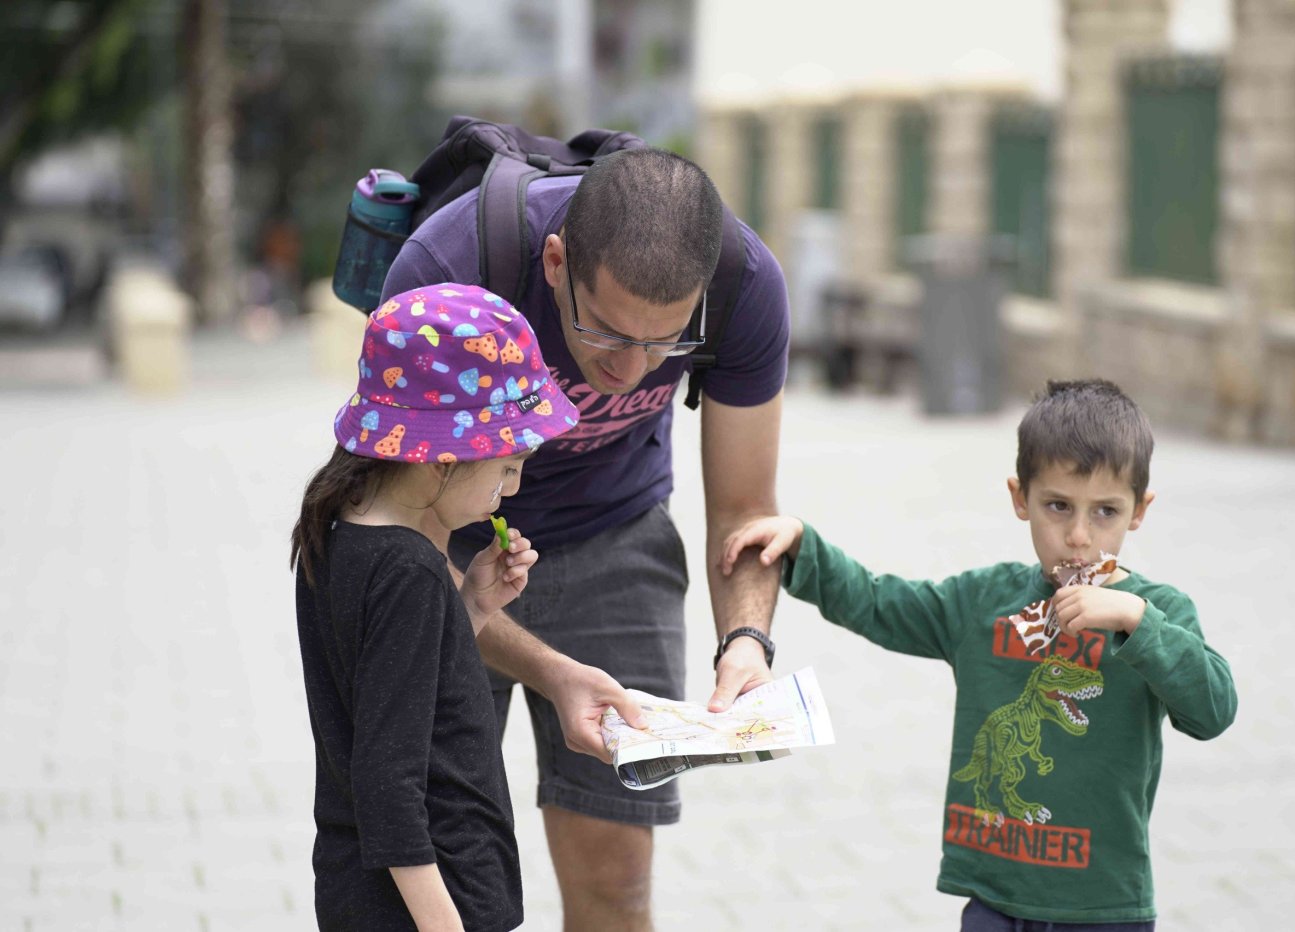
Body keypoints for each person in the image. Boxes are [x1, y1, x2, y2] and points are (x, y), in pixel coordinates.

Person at [382, 147, 790, 928]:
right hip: (449, 546)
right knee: (433, 882)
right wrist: (553, 671)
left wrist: (746, 639)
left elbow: (745, 511)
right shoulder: (447, 272)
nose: (632, 369)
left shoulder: (745, 285)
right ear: (556, 262)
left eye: (665, 341)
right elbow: (401, 536)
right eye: (604, 331)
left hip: (615, 533)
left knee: (616, 884)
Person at [721, 379, 1238, 930]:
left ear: (1139, 510)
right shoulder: (983, 602)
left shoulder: (1158, 612)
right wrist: (804, 545)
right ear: (1020, 498)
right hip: (994, 897)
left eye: (1105, 511)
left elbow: (1212, 711)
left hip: (1103, 904)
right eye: (1058, 506)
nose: (1079, 536)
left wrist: (1137, 620)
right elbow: (879, 603)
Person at [290, 283, 645, 931]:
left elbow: (391, 685)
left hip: (358, 889)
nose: (510, 489)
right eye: (507, 467)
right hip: (432, 900)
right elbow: (388, 782)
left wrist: (473, 605)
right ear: (442, 459)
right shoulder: (410, 571)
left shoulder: (335, 532)